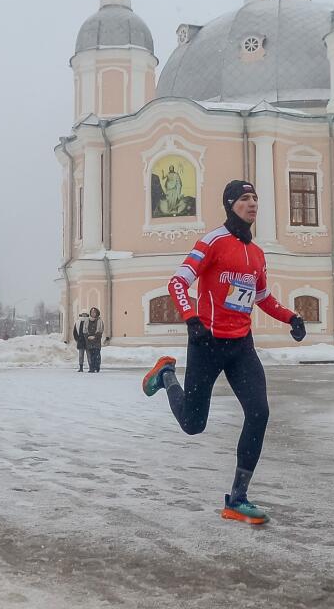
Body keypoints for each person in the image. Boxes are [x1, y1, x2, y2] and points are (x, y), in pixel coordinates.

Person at [142, 180, 306, 525]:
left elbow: (261, 298)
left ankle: (238, 497)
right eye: (245, 198)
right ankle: (166, 374)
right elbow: (177, 282)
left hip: (241, 345)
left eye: (256, 198)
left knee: (259, 413)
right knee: (193, 424)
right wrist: (191, 319)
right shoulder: (213, 241)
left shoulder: (257, 253)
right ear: (230, 203)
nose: (253, 204)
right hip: (207, 342)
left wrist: (291, 316)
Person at [84, 307, 104, 373]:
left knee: (97, 355)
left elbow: (100, 331)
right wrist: (88, 336)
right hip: (89, 341)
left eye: (94, 312)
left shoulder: (99, 321)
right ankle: (91, 368)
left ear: (97, 313)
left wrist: (94, 337)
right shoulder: (87, 321)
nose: (93, 314)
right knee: (91, 355)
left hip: (96, 341)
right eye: (92, 312)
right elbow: (85, 330)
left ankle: (97, 367)